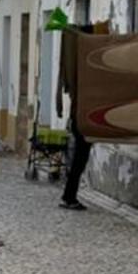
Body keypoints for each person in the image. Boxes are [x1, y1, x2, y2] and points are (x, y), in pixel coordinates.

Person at [57, 24, 92, 210]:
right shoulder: (85, 73)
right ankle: (69, 197)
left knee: (78, 161)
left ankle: (69, 195)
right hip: (82, 122)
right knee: (79, 161)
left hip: (79, 120)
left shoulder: (80, 72)